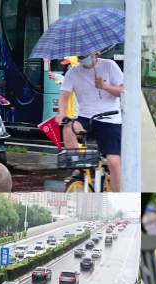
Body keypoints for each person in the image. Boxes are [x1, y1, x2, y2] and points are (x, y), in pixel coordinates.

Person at [55, 52, 124, 192]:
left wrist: (104, 86)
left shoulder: (109, 66)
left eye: (85, 54)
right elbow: (64, 96)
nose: (83, 57)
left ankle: (118, 195)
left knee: (114, 162)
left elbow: (122, 91)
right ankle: (79, 168)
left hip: (109, 118)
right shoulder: (73, 73)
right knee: (68, 128)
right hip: (86, 118)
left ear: (96, 52)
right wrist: (61, 113)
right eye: (79, 56)